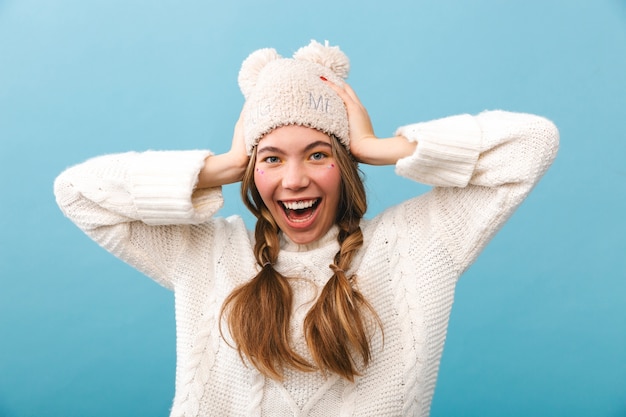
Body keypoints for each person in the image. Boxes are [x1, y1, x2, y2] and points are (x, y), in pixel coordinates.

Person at [54, 40, 559, 416]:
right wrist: (224, 163)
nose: (294, 180)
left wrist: (380, 146)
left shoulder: (416, 246)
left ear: (345, 164)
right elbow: (78, 192)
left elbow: (533, 143)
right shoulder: (206, 252)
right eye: (272, 158)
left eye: (319, 155)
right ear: (253, 172)